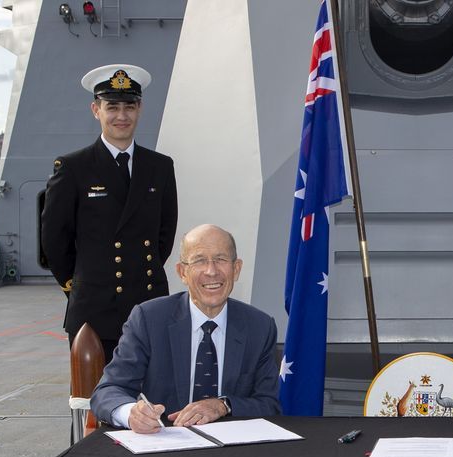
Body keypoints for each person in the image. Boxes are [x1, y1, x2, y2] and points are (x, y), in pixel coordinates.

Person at [41, 63, 178, 363]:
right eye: (111, 106)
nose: (121, 116)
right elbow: (54, 240)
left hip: (148, 303)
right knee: (96, 402)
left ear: (140, 108)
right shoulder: (73, 168)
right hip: (94, 309)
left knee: (152, 400)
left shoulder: (160, 167)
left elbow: (164, 236)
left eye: (129, 106)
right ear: (96, 110)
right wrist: (80, 284)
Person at [91, 225, 281, 432]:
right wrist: (131, 414)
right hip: (164, 448)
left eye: (221, 259)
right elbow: (108, 390)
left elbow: (269, 403)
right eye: (200, 260)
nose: (211, 271)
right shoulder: (149, 319)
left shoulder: (260, 327)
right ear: (182, 272)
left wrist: (223, 405)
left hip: (231, 453)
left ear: (236, 269)